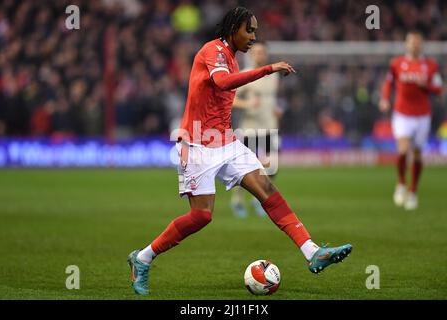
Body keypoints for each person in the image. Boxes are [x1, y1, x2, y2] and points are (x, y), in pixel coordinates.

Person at [127, 7, 352, 296]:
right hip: (197, 144)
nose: (254, 37)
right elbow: (221, 83)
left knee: (267, 188)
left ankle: (312, 252)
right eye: (250, 30)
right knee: (201, 217)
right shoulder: (213, 51)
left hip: (227, 141)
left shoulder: (232, 58)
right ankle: (142, 258)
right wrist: (268, 68)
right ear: (234, 28)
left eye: (256, 31)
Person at [379, 30, 443, 210]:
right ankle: (401, 183)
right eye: (411, 42)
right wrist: (384, 99)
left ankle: (413, 191)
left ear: (421, 44)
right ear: (407, 44)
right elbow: (388, 83)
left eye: (417, 42)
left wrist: (427, 86)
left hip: (422, 115)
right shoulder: (397, 63)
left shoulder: (430, 65)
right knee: (402, 150)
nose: (414, 45)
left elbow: (438, 89)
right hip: (402, 114)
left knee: (416, 154)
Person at [230, 41, 282, 218]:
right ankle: (237, 201)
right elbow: (230, 100)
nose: (261, 55)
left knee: (270, 168)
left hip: (270, 127)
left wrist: (275, 109)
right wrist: (247, 104)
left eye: (263, 52)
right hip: (250, 129)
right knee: (246, 170)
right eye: (257, 52)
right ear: (251, 54)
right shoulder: (246, 76)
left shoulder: (273, 76)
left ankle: (258, 200)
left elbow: (271, 100)